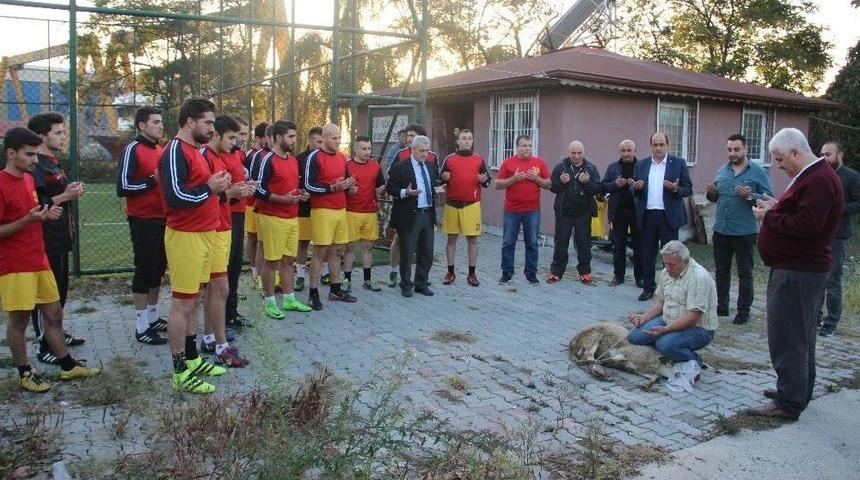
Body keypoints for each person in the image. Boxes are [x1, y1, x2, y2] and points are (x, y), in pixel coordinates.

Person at [751, 128, 843, 421]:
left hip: (798, 270)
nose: (779, 166)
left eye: (780, 159)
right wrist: (778, 206)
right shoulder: (815, 176)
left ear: (795, 152)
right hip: (800, 268)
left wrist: (770, 216)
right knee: (801, 335)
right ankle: (795, 390)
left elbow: (807, 225)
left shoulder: (818, 179)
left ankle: (788, 402)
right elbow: (804, 215)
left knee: (788, 336)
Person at [1, 127, 100, 392]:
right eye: (29, 154)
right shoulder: (1, 184)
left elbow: (32, 214)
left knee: (54, 315)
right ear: (11, 154)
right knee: (19, 321)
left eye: (36, 154)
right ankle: (25, 373)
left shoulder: (29, 181)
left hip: (39, 258)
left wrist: (44, 216)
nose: (35, 160)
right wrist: (28, 220)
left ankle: (67, 366)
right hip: (15, 265)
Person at [159, 98, 232, 394]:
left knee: (195, 300)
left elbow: (200, 190)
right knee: (182, 303)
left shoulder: (195, 151)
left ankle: (192, 358)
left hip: (204, 234)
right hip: (185, 236)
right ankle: (179, 371)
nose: (212, 129)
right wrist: (209, 188)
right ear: (190, 121)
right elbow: (176, 197)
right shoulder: (176, 150)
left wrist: (218, 186)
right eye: (208, 123)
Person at [27, 112, 86, 364]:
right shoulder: (35, 165)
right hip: (45, 239)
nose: (63, 137)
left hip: (61, 236)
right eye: (58, 133)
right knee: (45, 295)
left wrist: (70, 191)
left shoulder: (53, 161)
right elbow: (35, 204)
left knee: (60, 292)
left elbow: (58, 194)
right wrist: (65, 196)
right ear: (42, 136)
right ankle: (45, 345)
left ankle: (56, 334)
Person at [199, 115, 255, 367]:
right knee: (216, 289)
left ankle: (211, 338)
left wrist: (235, 191)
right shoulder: (204, 156)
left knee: (215, 288)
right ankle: (220, 346)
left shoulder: (219, 157)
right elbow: (199, 196)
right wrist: (230, 194)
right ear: (216, 135)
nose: (236, 143)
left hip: (222, 226)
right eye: (231, 137)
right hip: (210, 229)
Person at [627, 240, 717, 391]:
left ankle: (694, 360)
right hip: (669, 319)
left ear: (685, 262)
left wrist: (665, 330)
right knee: (635, 336)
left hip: (699, 328)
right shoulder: (666, 273)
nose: (667, 268)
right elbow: (661, 302)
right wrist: (644, 317)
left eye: (671, 265)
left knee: (664, 343)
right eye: (665, 263)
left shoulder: (698, 277)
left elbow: (692, 317)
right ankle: (670, 354)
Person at [705, 134, 773, 325]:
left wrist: (751, 196)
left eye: (736, 149)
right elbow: (716, 197)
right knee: (722, 270)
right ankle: (722, 306)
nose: (733, 153)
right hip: (721, 229)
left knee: (745, 272)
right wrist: (712, 193)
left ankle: (743, 311)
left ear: (745, 149)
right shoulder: (722, 171)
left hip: (744, 230)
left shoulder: (758, 172)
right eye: (729, 150)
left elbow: (769, 199)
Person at [116, 106, 169, 345]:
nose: (160, 125)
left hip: (164, 219)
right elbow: (123, 186)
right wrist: (150, 182)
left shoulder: (160, 150)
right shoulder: (132, 149)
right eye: (155, 122)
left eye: (161, 122)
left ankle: (152, 316)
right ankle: (140, 327)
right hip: (143, 220)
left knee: (158, 270)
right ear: (142, 126)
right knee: (144, 270)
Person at [253, 120, 313, 319]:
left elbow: (291, 186)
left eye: (295, 136)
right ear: (278, 138)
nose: (294, 140)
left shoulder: (293, 160)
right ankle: (269, 302)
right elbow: (259, 190)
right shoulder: (267, 160)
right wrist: (282, 199)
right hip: (271, 217)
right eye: (290, 136)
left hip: (291, 217)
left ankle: (289, 299)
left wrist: (300, 194)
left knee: (289, 260)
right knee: (272, 262)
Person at [633, 132, 693, 301]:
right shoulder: (643, 164)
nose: (658, 148)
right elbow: (635, 191)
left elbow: (688, 188)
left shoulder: (678, 164)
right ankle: (648, 287)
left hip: (669, 216)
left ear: (667, 145)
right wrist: (636, 188)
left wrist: (676, 189)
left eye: (661, 145)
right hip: (648, 215)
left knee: (671, 256)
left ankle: (671, 289)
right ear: (650, 146)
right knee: (648, 254)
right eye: (655, 145)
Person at [304, 123, 357, 310]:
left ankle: (335, 289)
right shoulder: (314, 157)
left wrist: (351, 186)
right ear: (324, 138)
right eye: (334, 138)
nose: (337, 141)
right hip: (322, 210)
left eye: (339, 138)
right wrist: (332, 187)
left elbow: (347, 181)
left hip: (340, 209)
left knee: (337, 251)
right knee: (320, 252)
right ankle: (313, 292)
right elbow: (309, 186)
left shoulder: (342, 157)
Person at [387, 135, 440, 297]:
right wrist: (406, 192)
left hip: (427, 214)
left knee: (427, 252)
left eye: (427, 151)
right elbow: (391, 189)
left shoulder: (431, 166)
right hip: (409, 215)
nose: (425, 154)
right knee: (408, 252)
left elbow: (432, 185)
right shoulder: (400, 167)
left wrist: (437, 191)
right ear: (413, 149)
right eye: (421, 151)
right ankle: (406, 284)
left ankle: (421, 283)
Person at [494, 135, 551, 285]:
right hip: (511, 210)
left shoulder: (539, 163)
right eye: (524, 145)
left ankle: (531, 274)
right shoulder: (508, 163)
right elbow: (497, 184)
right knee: (508, 242)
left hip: (532, 210)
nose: (527, 148)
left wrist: (536, 179)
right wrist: (513, 179)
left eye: (530, 145)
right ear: (517, 147)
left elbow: (549, 184)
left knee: (532, 242)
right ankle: (507, 273)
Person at [818, 141, 860, 337]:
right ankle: (814, 317)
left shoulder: (851, 177)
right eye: (822, 154)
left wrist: (838, 210)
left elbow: (858, 203)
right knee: (815, 276)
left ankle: (831, 323)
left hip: (838, 235)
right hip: (817, 234)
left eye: (828, 154)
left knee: (832, 280)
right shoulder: (819, 175)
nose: (824, 158)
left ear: (839, 155)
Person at [439, 128, 490, 287]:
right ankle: (450, 272)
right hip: (452, 204)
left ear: (472, 141)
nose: (467, 141)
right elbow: (440, 180)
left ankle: (472, 274)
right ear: (458, 141)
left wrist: (483, 180)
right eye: (464, 138)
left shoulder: (479, 159)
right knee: (451, 239)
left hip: (472, 205)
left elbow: (487, 182)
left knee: (472, 240)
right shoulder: (449, 159)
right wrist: (443, 178)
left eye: (469, 138)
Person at [548, 140, 601, 285]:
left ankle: (585, 273)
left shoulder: (590, 168)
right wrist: (560, 182)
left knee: (584, 243)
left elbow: (597, 189)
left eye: (579, 153)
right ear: (569, 153)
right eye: (573, 153)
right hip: (564, 213)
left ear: (583, 153)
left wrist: (588, 182)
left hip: (583, 213)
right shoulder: (560, 168)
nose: (576, 156)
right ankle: (556, 272)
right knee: (561, 242)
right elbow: (553, 187)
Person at [343, 135, 387, 291]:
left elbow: (381, 186)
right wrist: (348, 190)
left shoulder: (375, 166)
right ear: (355, 149)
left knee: (368, 247)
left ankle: (367, 280)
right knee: (349, 248)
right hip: (351, 212)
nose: (368, 151)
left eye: (369, 148)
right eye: (364, 148)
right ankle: (346, 280)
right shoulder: (346, 165)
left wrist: (380, 190)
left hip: (369, 212)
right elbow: (340, 188)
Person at [224, 116, 252, 329]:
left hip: (239, 212)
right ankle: (223, 316)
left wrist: (246, 185)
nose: (242, 139)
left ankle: (231, 312)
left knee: (234, 266)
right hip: (226, 215)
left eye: (244, 134)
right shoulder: (218, 154)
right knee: (225, 268)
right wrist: (235, 192)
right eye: (238, 135)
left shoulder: (238, 155)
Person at [601, 139, 642, 287]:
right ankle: (618, 276)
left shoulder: (642, 166)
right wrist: (615, 185)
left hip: (638, 212)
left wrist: (637, 186)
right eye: (623, 150)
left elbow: (648, 187)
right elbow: (603, 186)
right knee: (618, 246)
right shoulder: (613, 167)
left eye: (629, 150)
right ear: (619, 151)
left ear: (634, 151)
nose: (626, 153)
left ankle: (640, 278)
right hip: (618, 212)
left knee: (639, 247)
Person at [295, 126, 323, 291]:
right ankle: (299, 275)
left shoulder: (329, 158)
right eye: (317, 141)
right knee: (303, 242)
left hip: (322, 207)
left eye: (322, 141)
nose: (320, 145)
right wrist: (302, 192)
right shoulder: (299, 159)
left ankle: (324, 273)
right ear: (309, 141)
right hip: (304, 207)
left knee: (324, 243)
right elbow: (296, 181)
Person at [243, 122, 268, 290]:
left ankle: (267, 273)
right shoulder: (252, 155)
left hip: (265, 205)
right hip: (251, 205)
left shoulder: (271, 155)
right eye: (267, 135)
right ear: (258, 138)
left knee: (264, 240)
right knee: (253, 238)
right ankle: (255, 272)